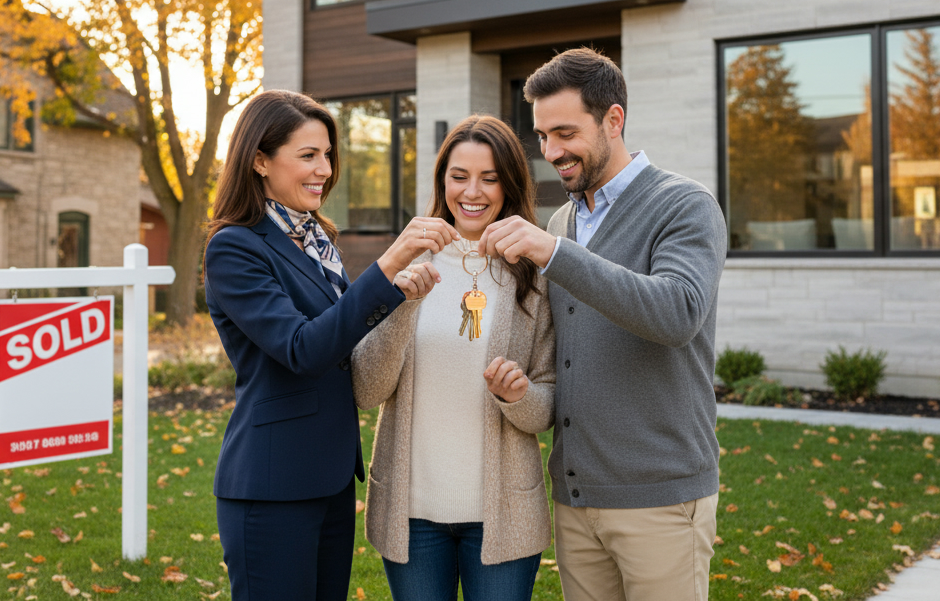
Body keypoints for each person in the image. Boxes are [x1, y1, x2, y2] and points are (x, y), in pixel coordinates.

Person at [478, 49, 728, 601]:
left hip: (659, 497)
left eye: (565, 133)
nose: (551, 152)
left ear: (613, 120)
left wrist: (555, 254)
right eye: (543, 136)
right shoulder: (562, 221)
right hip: (576, 498)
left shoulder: (684, 204)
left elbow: (678, 312)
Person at [204, 90, 460, 601]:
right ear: (259, 160)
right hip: (273, 488)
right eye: (307, 155)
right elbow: (303, 348)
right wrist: (389, 264)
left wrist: (397, 297)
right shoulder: (234, 247)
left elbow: (342, 341)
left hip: (331, 479)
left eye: (326, 154)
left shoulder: (316, 240)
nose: (324, 169)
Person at [352, 115, 556, 601]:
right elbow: (366, 389)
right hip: (412, 516)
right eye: (459, 176)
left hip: (504, 516)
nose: (473, 192)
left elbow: (547, 407)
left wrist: (519, 395)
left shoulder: (535, 276)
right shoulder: (404, 261)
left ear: (510, 185)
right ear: (442, 181)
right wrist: (404, 306)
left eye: (489, 178)